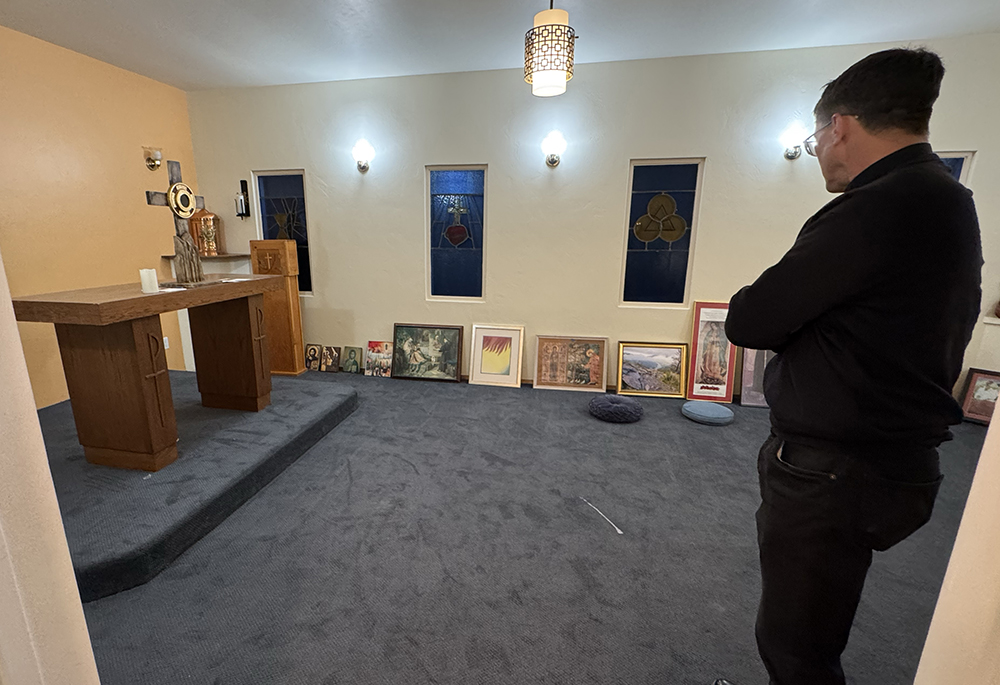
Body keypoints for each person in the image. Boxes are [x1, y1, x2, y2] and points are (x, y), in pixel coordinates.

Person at [718, 48, 982, 685]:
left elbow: (750, 319)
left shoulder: (876, 207)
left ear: (839, 125)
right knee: (814, 628)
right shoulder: (948, 199)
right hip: (889, 459)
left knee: (796, 646)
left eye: (815, 136)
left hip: (835, 470)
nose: (815, 152)